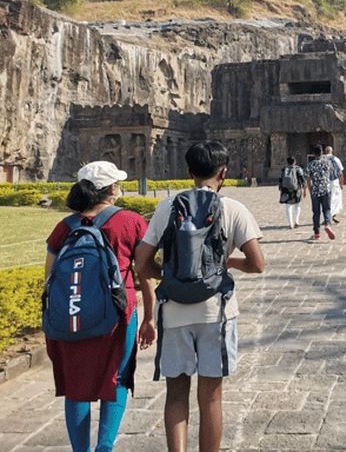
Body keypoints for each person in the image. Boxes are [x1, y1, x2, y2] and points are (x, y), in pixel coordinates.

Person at [135, 141, 265, 452]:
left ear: (190, 172)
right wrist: (227, 263)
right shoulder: (233, 208)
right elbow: (257, 264)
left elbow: (140, 262)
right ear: (224, 172)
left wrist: (168, 275)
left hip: (174, 311)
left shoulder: (167, 207)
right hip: (215, 312)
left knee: (176, 394)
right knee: (211, 397)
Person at [44, 161, 152, 452]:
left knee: (76, 388)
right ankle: (105, 447)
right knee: (115, 379)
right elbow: (147, 273)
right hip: (119, 314)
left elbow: (49, 279)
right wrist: (150, 316)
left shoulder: (64, 227)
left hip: (70, 316)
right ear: (111, 189)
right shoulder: (130, 221)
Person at [305, 145, 336, 240]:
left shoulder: (311, 164)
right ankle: (327, 224)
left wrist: (310, 190)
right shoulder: (327, 163)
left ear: (314, 154)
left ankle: (317, 232)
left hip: (315, 190)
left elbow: (308, 179)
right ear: (322, 152)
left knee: (316, 212)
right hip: (326, 189)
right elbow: (331, 175)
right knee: (327, 209)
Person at [278, 156, 305, 228]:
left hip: (286, 190)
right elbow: (302, 178)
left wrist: (280, 187)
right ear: (295, 161)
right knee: (297, 205)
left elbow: (280, 179)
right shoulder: (298, 168)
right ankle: (296, 220)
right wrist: (304, 187)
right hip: (296, 189)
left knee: (288, 206)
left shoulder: (284, 169)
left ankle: (290, 223)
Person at [324, 146, 344, 223]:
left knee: (326, 199)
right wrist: (341, 183)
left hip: (325, 181)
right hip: (334, 181)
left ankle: (327, 216)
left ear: (325, 151)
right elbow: (341, 172)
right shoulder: (336, 159)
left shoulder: (321, 159)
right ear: (332, 151)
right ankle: (333, 215)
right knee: (335, 198)